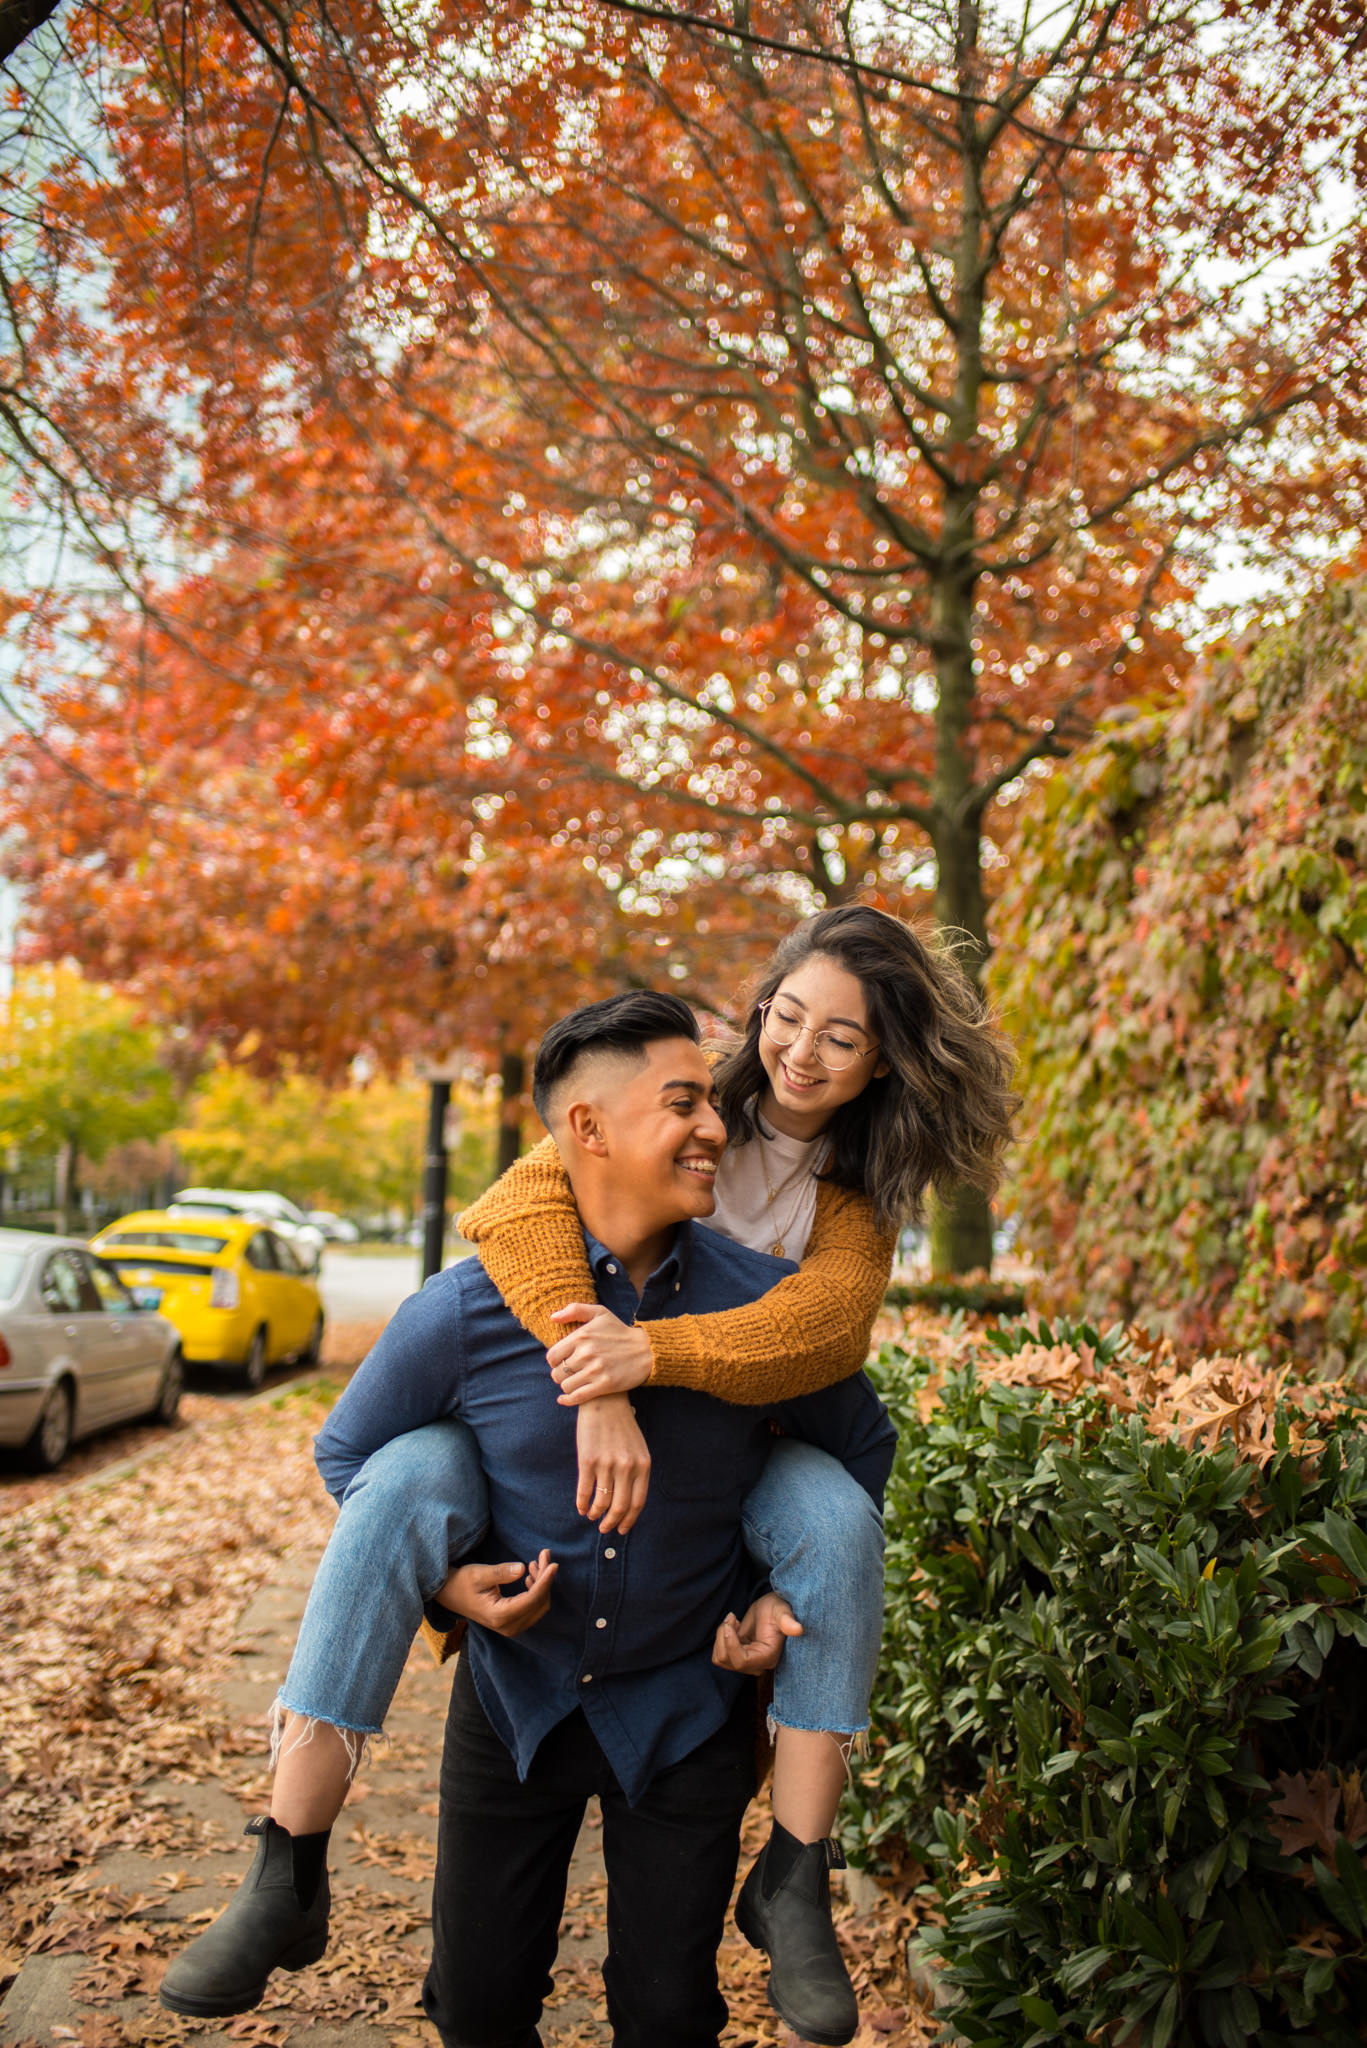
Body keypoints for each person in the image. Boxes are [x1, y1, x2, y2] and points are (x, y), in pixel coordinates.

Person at [160, 909, 1017, 2044]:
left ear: (883, 1063)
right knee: (410, 1467)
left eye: (841, 1039)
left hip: (728, 1500)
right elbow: (517, 1206)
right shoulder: (659, 1096)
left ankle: (798, 1864)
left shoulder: (843, 1205)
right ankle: (289, 1852)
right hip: (533, 1648)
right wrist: (592, 1379)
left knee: (830, 1511)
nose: (800, 1051)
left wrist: (658, 1364)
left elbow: (823, 1336)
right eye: (786, 1016)